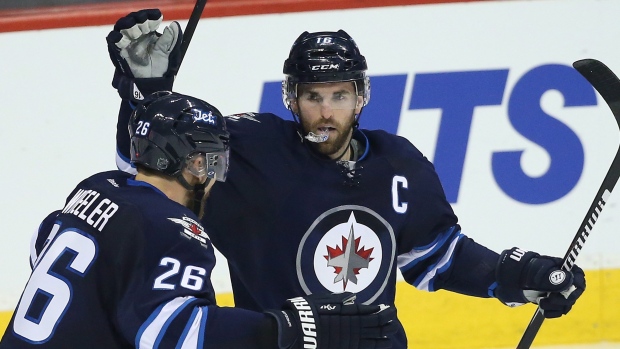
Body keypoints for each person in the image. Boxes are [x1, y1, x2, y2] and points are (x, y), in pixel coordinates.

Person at [106, 9, 587, 348]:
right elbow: (150, 169)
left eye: (339, 95)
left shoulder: (399, 162)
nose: (325, 112)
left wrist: (517, 275)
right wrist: (147, 91)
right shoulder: (251, 150)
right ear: (291, 97)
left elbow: (439, 257)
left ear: (362, 97)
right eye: (313, 96)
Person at [0, 91, 396, 349]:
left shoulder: (97, 188)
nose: (214, 178)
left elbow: (45, 241)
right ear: (191, 162)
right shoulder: (176, 230)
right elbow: (170, 333)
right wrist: (284, 328)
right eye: (213, 162)